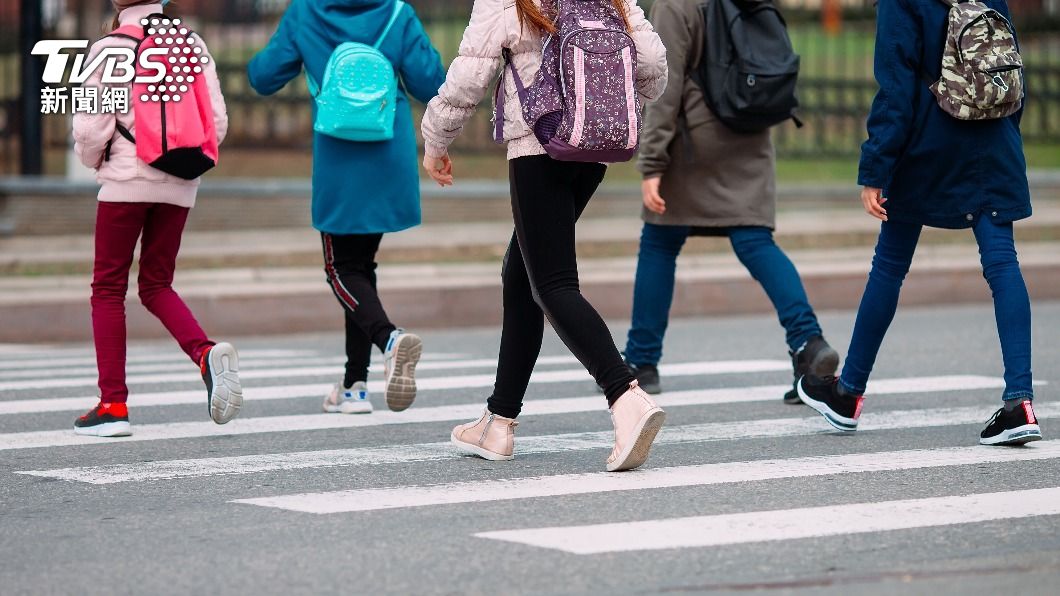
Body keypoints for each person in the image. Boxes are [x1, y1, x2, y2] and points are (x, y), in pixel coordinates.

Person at [422, 0, 669, 472]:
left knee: (552, 284)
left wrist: (436, 139)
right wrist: (606, 99)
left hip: (539, 144)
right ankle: (498, 422)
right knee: (521, 273)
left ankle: (625, 395)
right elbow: (653, 67)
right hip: (594, 148)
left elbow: (470, 75)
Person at [798, 0, 1041, 446]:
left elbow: (896, 89)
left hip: (929, 146)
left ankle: (849, 393)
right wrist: (1004, 134)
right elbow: (1011, 72)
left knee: (889, 265)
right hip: (995, 142)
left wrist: (875, 168)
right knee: (1003, 265)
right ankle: (1019, 403)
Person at [622, 0, 837, 400]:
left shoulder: (676, 4)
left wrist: (652, 162)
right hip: (751, 132)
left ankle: (642, 361)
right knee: (756, 242)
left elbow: (663, 88)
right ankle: (808, 343)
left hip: (694, 144)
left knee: (659, 242)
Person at [249, 0, 446, 415]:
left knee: (340, 270)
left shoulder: (306, 11)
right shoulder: (397, 13)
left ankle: (390, 339)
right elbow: (431, 83)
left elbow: (264, 77)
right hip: (386, 155)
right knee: (360, 268)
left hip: (338, 157)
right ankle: (355, 385)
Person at [71, 0, 241, 437]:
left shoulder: (111, 48)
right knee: (156, 284)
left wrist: (96, 163)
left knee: (108, 288)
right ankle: (204, 353)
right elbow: (216, 122)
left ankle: (112, 405)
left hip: (125, 181)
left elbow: (92, 128)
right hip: (181, 181)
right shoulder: (191, 43)